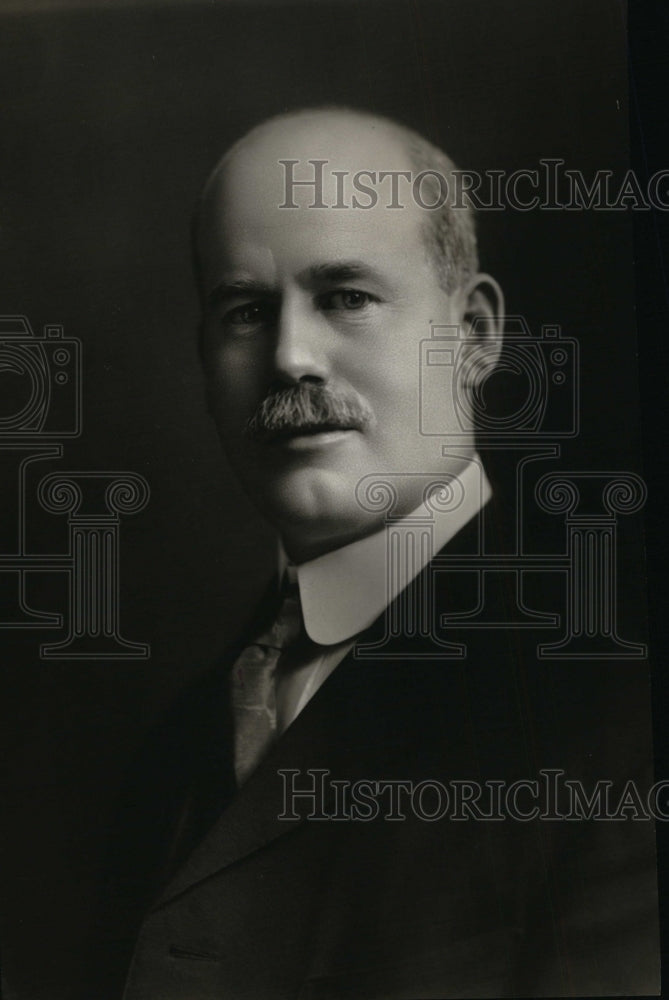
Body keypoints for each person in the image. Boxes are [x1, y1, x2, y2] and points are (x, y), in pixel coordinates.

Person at [115, 107, 659, 999]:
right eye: (246, 311)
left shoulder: (616, 699)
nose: (290, 356)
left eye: (346, 298)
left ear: (475, 334)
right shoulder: (180, 749)